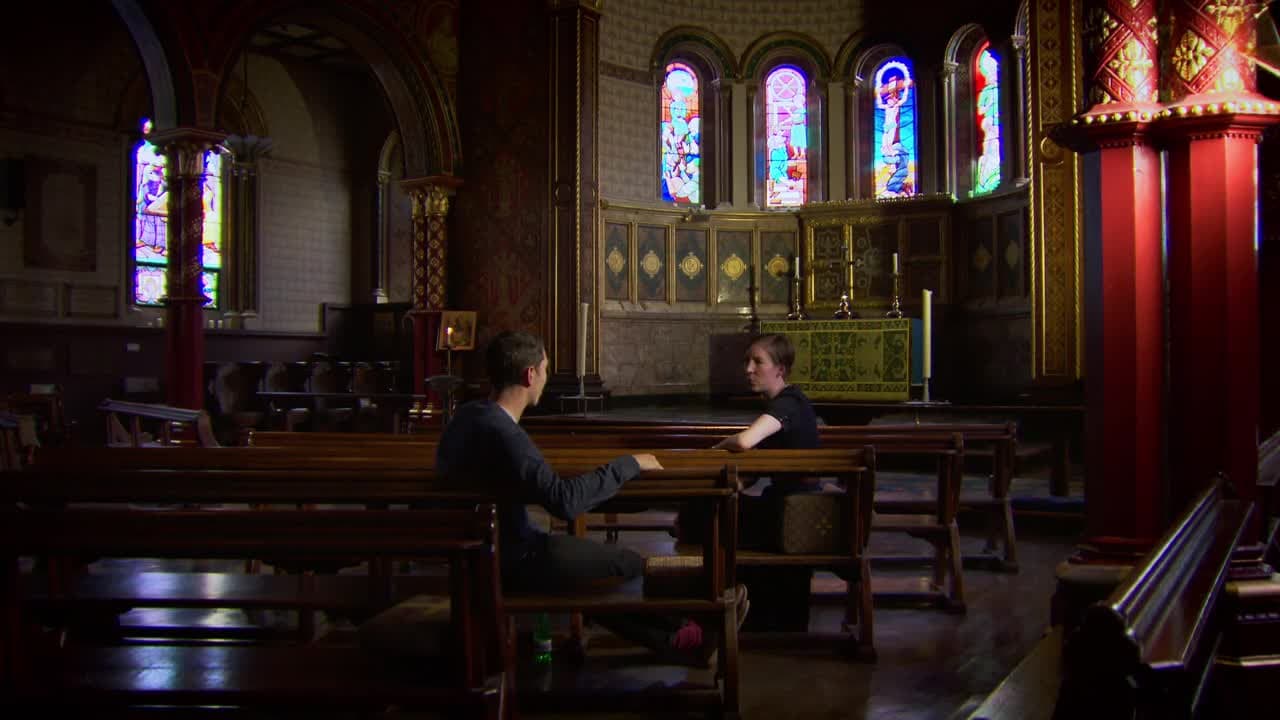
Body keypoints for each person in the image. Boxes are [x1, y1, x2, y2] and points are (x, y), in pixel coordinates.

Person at [436, 330, 745, 665]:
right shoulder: (505, 433)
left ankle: (679, 637)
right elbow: (565, 502)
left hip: (474, 554)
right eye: (545, 369)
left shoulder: (468, 416)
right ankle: (689, 633)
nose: (546, 377)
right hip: (511, 559)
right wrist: (628, 464)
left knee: (589, 568)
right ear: (530, 375)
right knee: (624, 565)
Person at [714, 333, 821, 632]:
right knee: (713, 510)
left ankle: (734, 613)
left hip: (797, 513)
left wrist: (716, 448)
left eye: (757, 362)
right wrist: (730, 486)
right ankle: (741, 611)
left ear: (780, 369)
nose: (748, 369)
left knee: (709, 518)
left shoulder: (789, 403)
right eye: (747, 361)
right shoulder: (784, 404)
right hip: (789, 506)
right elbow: (753, 472)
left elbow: (745, 441)